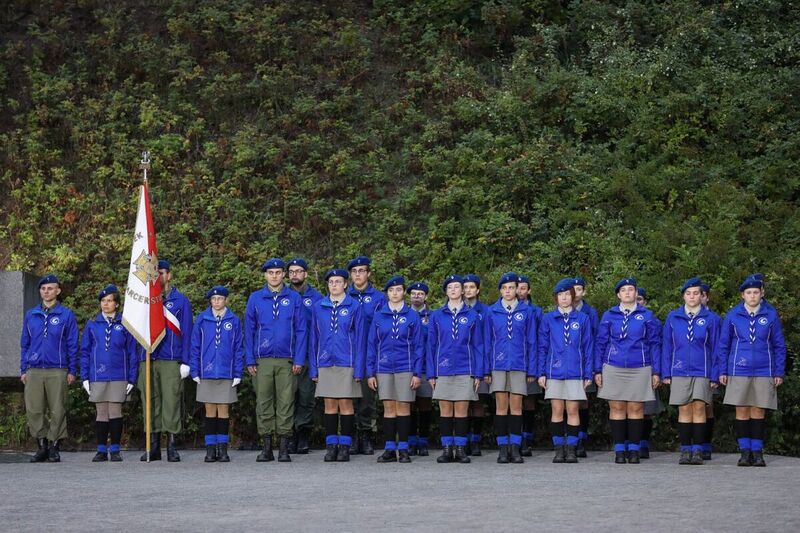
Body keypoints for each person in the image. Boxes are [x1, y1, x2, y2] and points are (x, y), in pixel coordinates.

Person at [718, 275, 786, 467]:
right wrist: (723, 370)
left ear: (762, 293)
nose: (752, 295)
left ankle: (757, 452)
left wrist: (778, 371)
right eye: (749, 292)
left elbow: (779, 345)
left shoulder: (770, 314)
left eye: (756, 292)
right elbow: (723, 345)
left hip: (764, 369)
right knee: (742, 409)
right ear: (743, 295)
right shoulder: (733, 315)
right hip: (738, 368)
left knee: (758, 409)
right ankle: (744, 451)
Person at [245, 258, 307, 463]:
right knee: (263, 402)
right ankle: (266, 448)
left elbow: (301, 329)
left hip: (287, 359)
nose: (274, 276)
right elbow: (249, 330)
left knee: (286, 402)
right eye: (270, 273)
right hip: (262, 360)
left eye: (278, 272)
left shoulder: (294, 298)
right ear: (265, 275)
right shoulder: (255, 298)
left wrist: (299, 358)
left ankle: (283, 447)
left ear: (284, 275)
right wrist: (249, 358)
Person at [595, 278, 661, 464]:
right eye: (623, 290)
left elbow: (654, 343)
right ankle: (619, 450)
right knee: (617, 407)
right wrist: (597, 369)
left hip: (639, 366)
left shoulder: (646, 315)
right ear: (618, 294)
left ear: (636, 293)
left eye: (631, 289)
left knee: (636, 408)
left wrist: (656, 371)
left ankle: (634, 449)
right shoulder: (609, 315)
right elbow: (601, 342)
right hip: (613, 365)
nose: (627, 293)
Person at [661, 277, 722, 465]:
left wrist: (715, 374)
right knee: (684, 408)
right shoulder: (673, 317)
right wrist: (666, 372)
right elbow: (667, 346)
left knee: (699, 407)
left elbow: (717, 348)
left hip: (702, 370)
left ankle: (698, 450)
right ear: (683, 296)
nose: (692, 296)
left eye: (696, 293)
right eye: (688, 293)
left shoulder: (712, 319)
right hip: (679, 370)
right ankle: (685, 449)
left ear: (702, 295)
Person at [138, 259, 193, 462]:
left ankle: (171, 445)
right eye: (155, 272)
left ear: (168, 275)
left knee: (171, 402)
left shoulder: (181, 301)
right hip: (148, 356)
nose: (158, 276)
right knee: (150, 401)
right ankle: (153, 446)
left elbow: (187, 332)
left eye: (161, 272)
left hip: (171, 358)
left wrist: (186, 361)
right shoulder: (143, 300)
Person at [20, 274, 79, 463]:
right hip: (34, 369)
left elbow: (72, 344)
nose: (46, 291)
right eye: (43, 289)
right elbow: (24, 343)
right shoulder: (31, 314)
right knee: (34, 409)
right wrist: (23, 369)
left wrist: (72, 370)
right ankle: (42, 446)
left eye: (50, 288)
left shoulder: (66, 315)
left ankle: (54, 446)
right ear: (40, 291)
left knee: (57, 409)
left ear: (58, 291)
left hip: (58, 369)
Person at [309, 269, 366, 462]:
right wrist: (313, 367)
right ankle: (331, 446)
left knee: (346, 404)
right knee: (330, 404)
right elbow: (313, 339)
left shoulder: (354, 306)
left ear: (345, 284)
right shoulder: (318, 306)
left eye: (338, 281)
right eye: (331, 282)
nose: (334, 285)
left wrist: (359, 368)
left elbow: (360, 339)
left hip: (347, 361)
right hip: (325, 361)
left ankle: (345, 447)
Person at [427, 275, 484, 464]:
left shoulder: (472, 315)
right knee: (445, 410)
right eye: (449, 287)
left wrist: (478, 372)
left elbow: (478, 345)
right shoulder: (437, 315)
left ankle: (460, 448)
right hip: (442, 369)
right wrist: (431, 372)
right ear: (446, 291)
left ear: (463, 290)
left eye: (457, 286)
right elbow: (431, 345)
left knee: (461, 410)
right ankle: (446, 449)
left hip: (465, 368)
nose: (453, 290)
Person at [367, 276, 424, 463]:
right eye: (391, 290)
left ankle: (404, 448)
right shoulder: (379, 315)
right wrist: (370, 372)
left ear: (404, 292)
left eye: (398, 290)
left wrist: (417, 373)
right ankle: (390, 448)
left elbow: (419, 346)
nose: (395, 293)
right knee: (389, 408)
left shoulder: (412, 315)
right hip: (383, 367)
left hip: (405, 367)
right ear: (387, 293)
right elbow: (372, 345)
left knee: (404, 407)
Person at [483, 272, 538, 464]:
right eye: (504, 288)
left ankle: (515, 447)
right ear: (500, 290)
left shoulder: (527, 311)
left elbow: (532, 341)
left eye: (511, 288)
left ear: (517, 290)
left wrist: (532, 369)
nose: (508, 291)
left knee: (516, 406)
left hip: (519, 364)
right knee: (501, 406)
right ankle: (502, 448)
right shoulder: (491, 311)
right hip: (497, 365)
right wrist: (486, 369)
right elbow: (487, 342)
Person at [80, 285, 138, 462]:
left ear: (117, 304)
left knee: (115, 411)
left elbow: (132, 352)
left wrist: (132, 377)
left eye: (110, 301)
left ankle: (115, 449)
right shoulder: (92, 324)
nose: (106, 304)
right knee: (101, 412)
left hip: (119, 374)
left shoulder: (125, 324)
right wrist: (85, 376)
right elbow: (85, 351)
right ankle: (101, 450)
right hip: (98, 375)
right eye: (103, 301)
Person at [538, 278, 594, 463]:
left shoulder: (583, 318)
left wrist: (588, 373)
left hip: (575, 371)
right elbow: (543, 347)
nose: (564, 298)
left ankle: (571, 449)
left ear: (573, 296)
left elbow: (588, 347)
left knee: (573, 410)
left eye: (567, 294)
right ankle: (558, 449)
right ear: (556, 298)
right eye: (560, 295)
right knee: (557, 409)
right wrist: (541, 372)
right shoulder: (548, 318)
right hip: (554, 371)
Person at [191, 286, 245, 463]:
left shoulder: (234, 320)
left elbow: (238, 348)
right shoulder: (202, 319)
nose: (217, 302)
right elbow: (195, 346)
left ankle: (222, 449)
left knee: (223, 410)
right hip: (206, 372)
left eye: (220, 299)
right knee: (209, 410)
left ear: (226, 300)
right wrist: (195, 370)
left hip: (226, 372)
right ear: (210, 301)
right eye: (213, 299)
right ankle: (210, 449)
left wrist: (237, 372)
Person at [347, 255, 386, 455]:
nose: (358, 274)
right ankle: (353, 437)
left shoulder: (379, 298)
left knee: (368, 398)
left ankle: (367, 435)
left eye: (361, 271)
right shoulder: (344, 295)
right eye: (354, 271)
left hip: (371, 353)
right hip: (348, 352)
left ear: (368, 273)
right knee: (349, 397)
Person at [286, 257, 323, 454]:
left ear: (306, 274)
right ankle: (289, 435)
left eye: (298, 271)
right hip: (288, 354)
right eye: (291, 271)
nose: (295, 274)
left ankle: (303, 435)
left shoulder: (316, 297)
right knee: (288, 396)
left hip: (309, 354)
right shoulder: (282, 296)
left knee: (306, 397)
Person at [516, 274, 543, 456]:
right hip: (514, 361)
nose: (519, 291)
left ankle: (527, 438)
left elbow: (539, 339)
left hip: (530, 360)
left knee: (529, 402)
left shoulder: (536, 311)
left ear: (529, 290)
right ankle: (515, 439)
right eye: (517, 287)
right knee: (514, 401)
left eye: (523, 288)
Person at [463, 273, 490, 456]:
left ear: (478, 290)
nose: (468, 290)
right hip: (462, 362)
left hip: (479, 360)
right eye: (465, 287)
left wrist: (486, 368)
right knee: (463, 403)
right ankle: (463, 440)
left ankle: (476, 440)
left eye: (471, 287)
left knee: (478, 402)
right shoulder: (456, 309)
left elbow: (488, 340)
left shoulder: (486, 311)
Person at [572, 276, 599, 457]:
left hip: (585, 362)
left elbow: (595, 339)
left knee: (583, 402)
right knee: (567, 403)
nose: (576, 293)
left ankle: (581, 439)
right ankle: (570, 439)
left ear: (584, 291)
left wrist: (594, 366)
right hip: (567, 364)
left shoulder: (590, 312)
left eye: (579, 289)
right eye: (573, 289)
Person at [636, 287, 663, 458]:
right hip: (627, 368)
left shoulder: (653, 320)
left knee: (646, 411)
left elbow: (657, 347)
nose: (637, 302)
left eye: (640, 299)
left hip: (647, 368)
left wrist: (657, 371)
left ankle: (643, 444)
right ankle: (628, 443)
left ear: (645, 301)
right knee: (626, 408)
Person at [408, 282, 433, 456]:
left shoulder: (433, 316)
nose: (416, 296)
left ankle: (423, 441)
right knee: (408, 405)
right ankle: (410, 441)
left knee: (424, 405)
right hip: (406, 366)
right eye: (413, 293)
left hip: (425, 366)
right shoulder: (404, 314)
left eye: (420, 293)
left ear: (426, 297)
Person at [700, 281, 717, 459]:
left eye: (703, 295)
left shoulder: (715, 318)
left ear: (707, 297)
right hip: (691, 368)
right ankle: (692, 444)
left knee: (708, 405)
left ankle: (706, 443)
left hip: (709, 367)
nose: (699, 298)